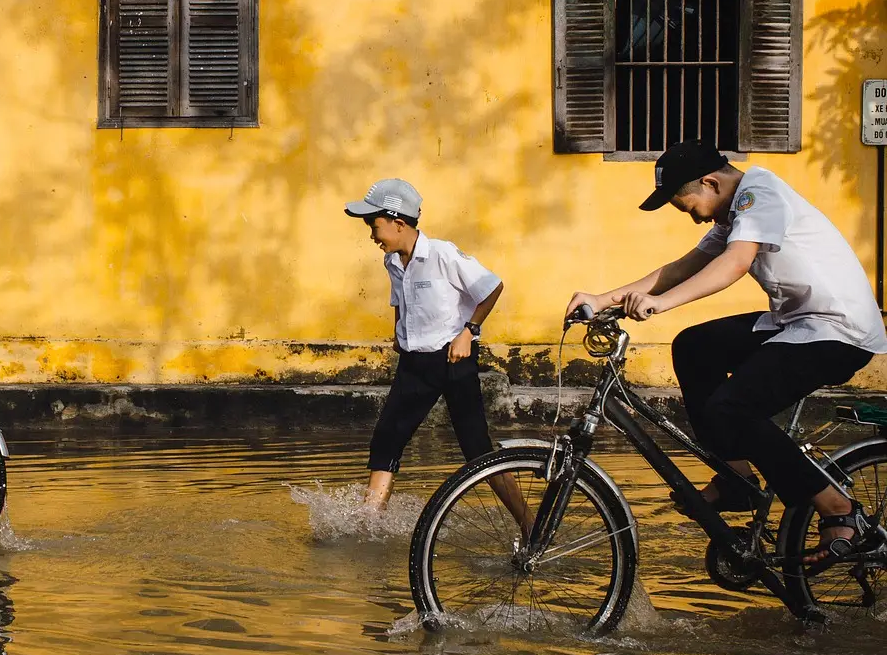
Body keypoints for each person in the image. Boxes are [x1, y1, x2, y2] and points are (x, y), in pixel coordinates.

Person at [567, 139, 887, 561]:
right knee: (694, 347)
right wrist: (604, 299)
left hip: (837, 331)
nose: (695, 220)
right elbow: (683, 268)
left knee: (732, 408)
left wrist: (662, 304)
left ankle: (837, 509)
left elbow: (735, 264)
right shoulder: (735, 208)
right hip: (797, 322)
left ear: (710, 183)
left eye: (688, 207)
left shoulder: (760, 194)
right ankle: (735, 477)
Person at [345, 179, 511, 512]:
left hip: (453, 361)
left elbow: (491, 286)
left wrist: (469, 331)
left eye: (375, 227)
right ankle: (368, 522)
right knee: (386, 441)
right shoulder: (392, 261)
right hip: (413, 366)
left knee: (477, 450)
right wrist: (398, 331)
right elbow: (399, 299)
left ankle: (529, 523)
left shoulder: (443, 254)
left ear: (398, 223)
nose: (372, 237)